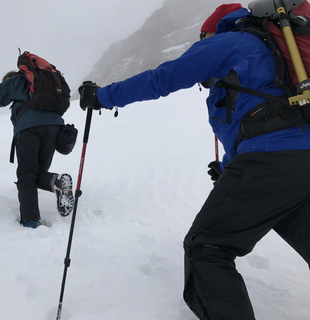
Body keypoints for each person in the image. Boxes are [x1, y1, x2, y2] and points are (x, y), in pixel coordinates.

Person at [79, 3, 310, 320]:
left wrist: (102, 96)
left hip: (270, 162)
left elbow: (163, 78)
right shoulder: (279, 53)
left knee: (208, 247)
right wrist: (231, 170)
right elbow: (268, 116)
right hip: (298, 163)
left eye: (202, 38)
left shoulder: (229, 42)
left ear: (212, 30)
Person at [0, 70, 74, 229]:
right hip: (54, 127)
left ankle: (31, 221)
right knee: (37, 173)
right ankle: (57, 181)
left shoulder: (15, 81)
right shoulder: (43, 85)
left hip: (29, 127)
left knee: (27, 175)